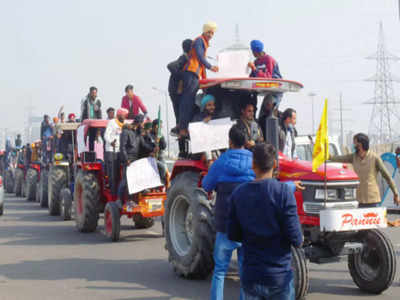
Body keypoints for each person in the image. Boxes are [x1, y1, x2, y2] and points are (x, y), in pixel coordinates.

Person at [227, 143, 303, 300]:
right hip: (279, 278)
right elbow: (296, 239)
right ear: (274, 164)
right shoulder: (283, 193)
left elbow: (233, 235)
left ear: (253, 165)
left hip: (251, 276)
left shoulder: (238, 194)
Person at [202, 125, 254, 300]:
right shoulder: (254, 161)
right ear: (246, 141)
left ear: (229, 141)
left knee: (220, 271)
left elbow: (206, 186)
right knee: (245, 272)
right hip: (247, 226)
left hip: (225, 225)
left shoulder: (220, 163)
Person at [178, 22, 219, 154]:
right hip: (190, 72)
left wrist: (204, 82)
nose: (211, 35)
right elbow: (201, 58)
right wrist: (210, 66)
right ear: (205, 31)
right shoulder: (199, 41)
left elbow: (201, 65)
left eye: (212, 33)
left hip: (195, 74)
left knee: (189, 100)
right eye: (209, 32)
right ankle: (183, 127)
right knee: (188, 101)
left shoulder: (203, 42)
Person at [330, 133, 400, 207]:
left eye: (355, 143)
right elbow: (339, 158)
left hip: (372, 199)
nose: (353, 145)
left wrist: (396, 194)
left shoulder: (374, 158)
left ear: (360, 145)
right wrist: (327, 156)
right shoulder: (353, 157)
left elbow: (387, 177)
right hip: (359, 199)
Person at [118, 114, 155, 206]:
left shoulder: (138, 134)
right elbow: (122, 147)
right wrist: (126, 160)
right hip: (128, 160)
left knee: (136, 180)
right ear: (138, 122)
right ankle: (119, 200)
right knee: (126, 181)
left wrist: (153, 148)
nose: (143, 125)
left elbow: (144, 145)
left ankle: (135, 199)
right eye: (142, 123)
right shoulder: (126, 132)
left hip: (136, 159)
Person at [167, 38, 193, 135]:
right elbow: (170, 66)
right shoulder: (184, 58)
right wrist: (183, 76)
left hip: (178, 90)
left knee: (180, 115)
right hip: (175, 90)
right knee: (179, 114)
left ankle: (180, 128)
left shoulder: (188, 58)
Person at [248, 40, 283, 107]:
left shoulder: (269, 59)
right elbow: (252, 76)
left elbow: (268, 77)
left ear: (255, 51)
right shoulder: (256, 62)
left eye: (252, 51)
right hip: (267, 89)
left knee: (272, 110)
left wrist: (254, 69)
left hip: (276, 89)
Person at [104, 108, 127, 195]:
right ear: (119, 114)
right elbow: (106, 135)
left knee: (119, 174)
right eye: (124, 115)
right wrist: (111, 142)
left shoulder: (125, 124)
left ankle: (119, 194)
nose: (125, 116)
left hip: (119, 151)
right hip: (111, 151)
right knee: (112, 174)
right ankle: (113, 194)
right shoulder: (112, 122)